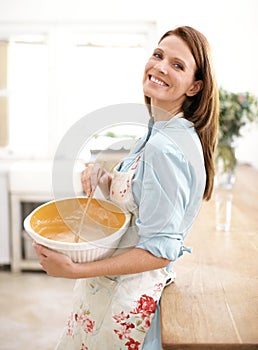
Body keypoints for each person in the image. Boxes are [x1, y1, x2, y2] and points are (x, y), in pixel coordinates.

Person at [34, 25, 219, 349]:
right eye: (158, 55)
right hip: (113, 290)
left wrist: (75, 270)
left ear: (194, 87)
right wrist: (107, 180)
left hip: (128, 301)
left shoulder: (167, 147)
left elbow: (159, 251)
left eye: (177, 65)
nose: (160, 66)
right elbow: (144, 201)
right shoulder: (157, 130)